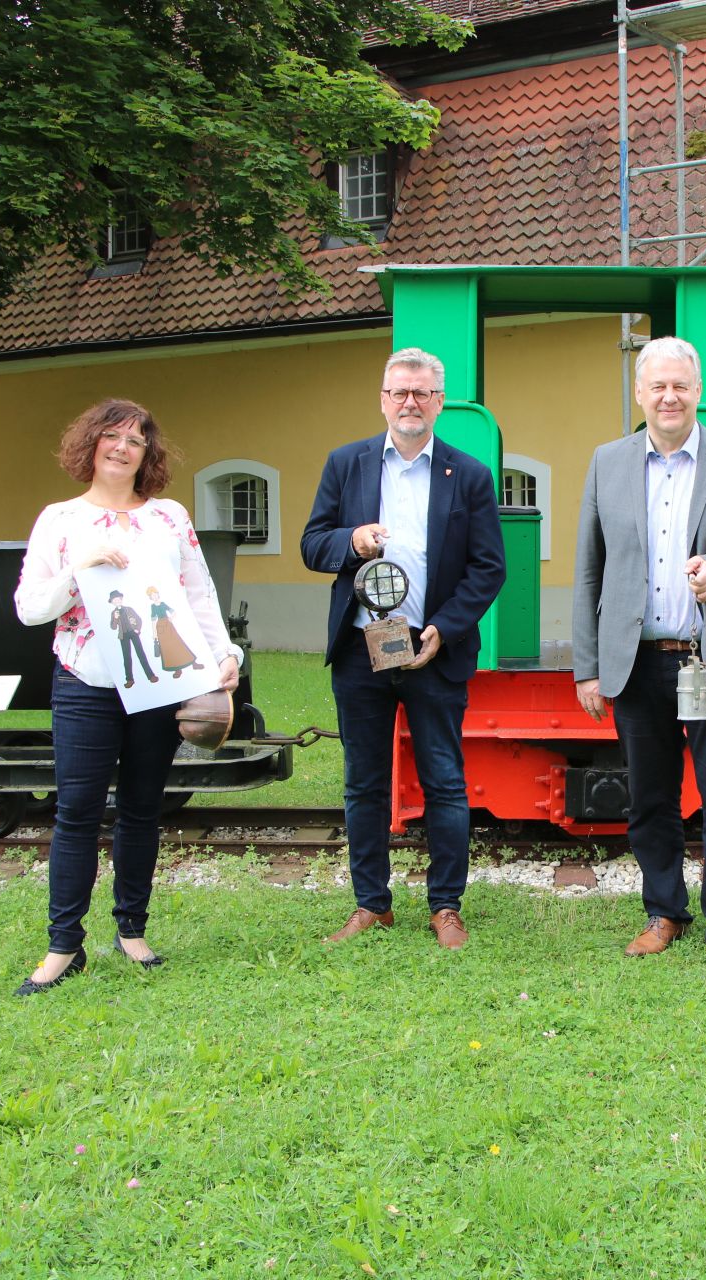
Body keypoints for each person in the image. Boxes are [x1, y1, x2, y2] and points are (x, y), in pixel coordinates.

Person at [572, 336, 706, 970]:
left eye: (682, 386)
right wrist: (587, 667)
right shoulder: (606, 462)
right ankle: (663, 911)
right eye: (657, 386)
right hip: (637, 662)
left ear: (698, 392)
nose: (670, 397)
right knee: (649, 800)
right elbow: (590, 572)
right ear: (639, 393)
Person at [12, 399, 241, 995]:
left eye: (134, 440)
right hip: (84, 682)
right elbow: (31, 608)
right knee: (77, 813)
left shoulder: (168, 517)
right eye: (110, 436)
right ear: (88, 445)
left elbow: (199, 595)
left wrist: (225, 659)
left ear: (149, 454)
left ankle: (132, 930)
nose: (121, 447)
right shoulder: (60, 520)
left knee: (142, 809)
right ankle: (64, 945)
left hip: (161, 683)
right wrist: (78, 567)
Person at [300, 348, 505, 950]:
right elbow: (312, 544)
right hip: (363, 648)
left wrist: (444, 626)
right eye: (398, 393)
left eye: (421, 393)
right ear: (383, 399)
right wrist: (350, 540)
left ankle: (446, 906)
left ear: (439, 402)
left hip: (431, 648)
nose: (409, 402)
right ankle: (372, 905)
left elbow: (488, 567)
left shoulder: (468, 474)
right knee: (364, 783)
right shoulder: (348, 464)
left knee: (444, 780)